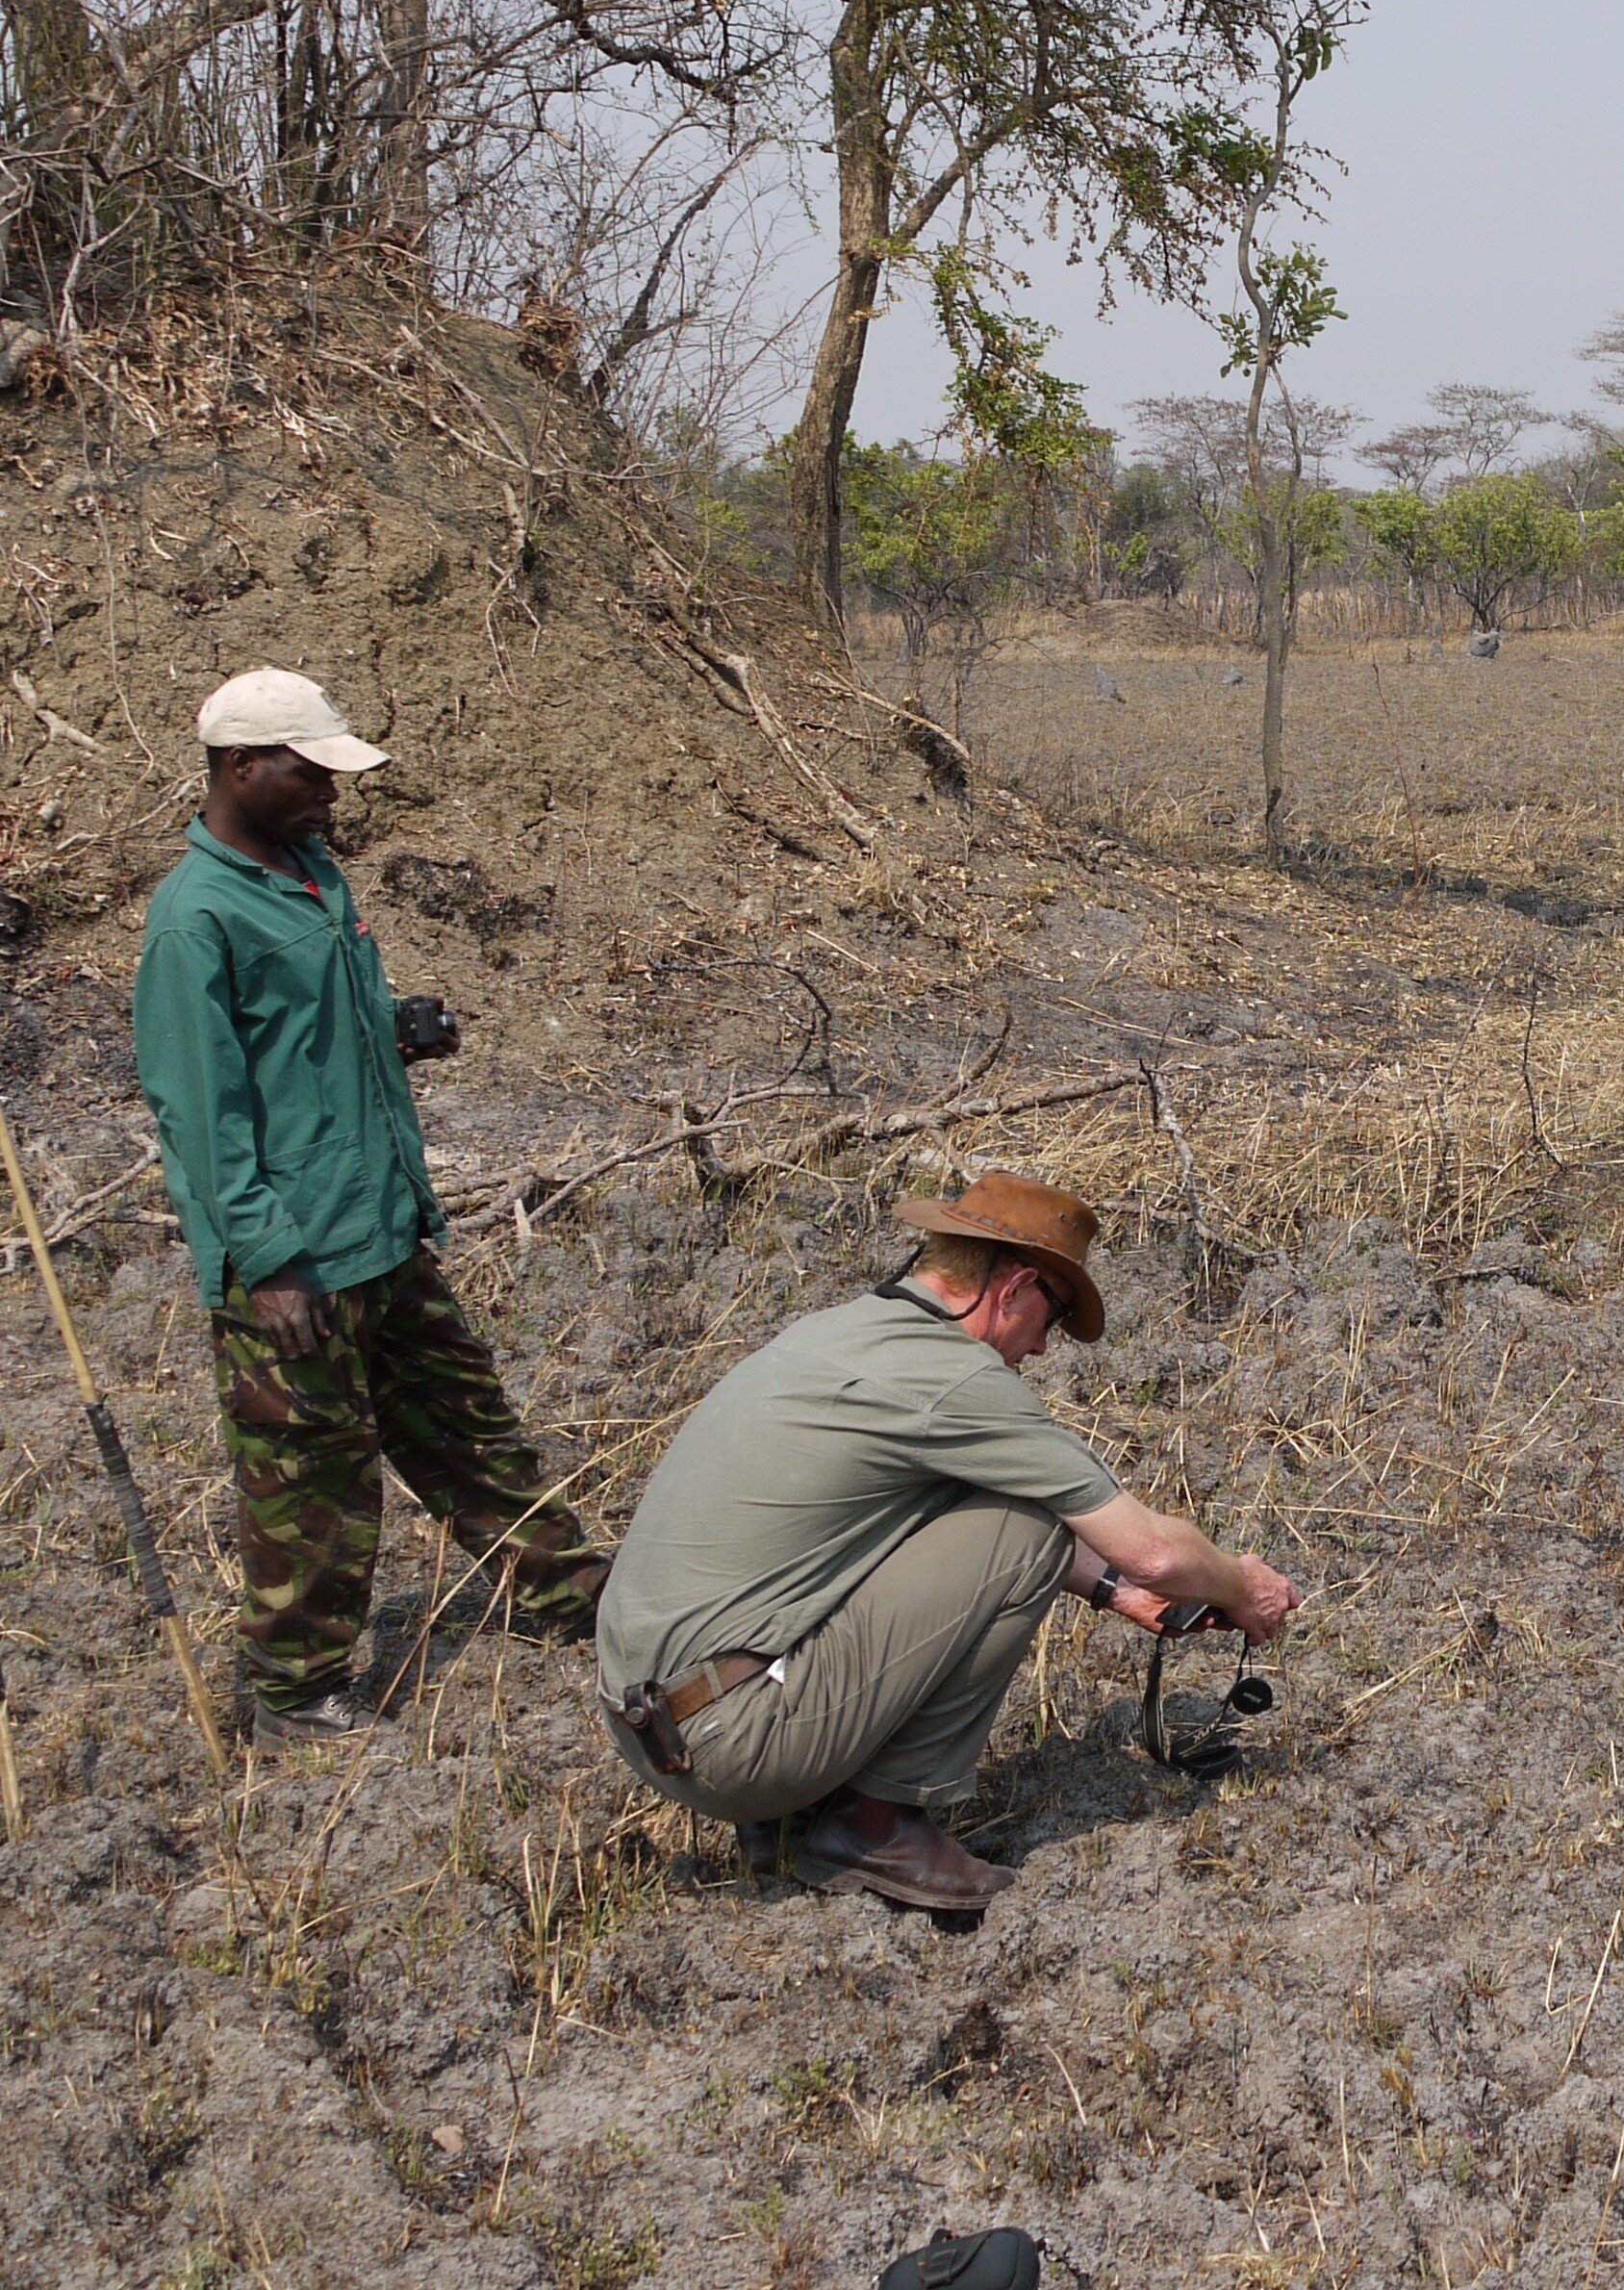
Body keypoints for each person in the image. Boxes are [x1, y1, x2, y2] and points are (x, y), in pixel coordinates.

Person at [595, 1172, 1301, 1916]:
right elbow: (1152, 1551)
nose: (1041, 1348)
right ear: (1016, 1287)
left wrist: (1116, 1593)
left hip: (647, 1722)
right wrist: (1237, 1585)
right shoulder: (954, 1382)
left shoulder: (837, 1333)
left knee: (1007, 1514)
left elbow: (938, 1519)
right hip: (731, 1746)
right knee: (1029, 1525)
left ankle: (794, 1818)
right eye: (1051, 1320)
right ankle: (880, 1828)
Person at [131, 670, 609, 1743]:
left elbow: (302, 1033)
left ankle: (569, 1594)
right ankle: (296, 1690)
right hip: (297, 1258)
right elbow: (202, 1113)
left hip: (381, 1226)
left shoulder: (309, 876)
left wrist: (395, 1023)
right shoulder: (194, 919)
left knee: (469, 1427)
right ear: (240, 767)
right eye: (310, 774)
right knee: (315, 1481)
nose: (331, 797)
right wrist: (267, 1259)